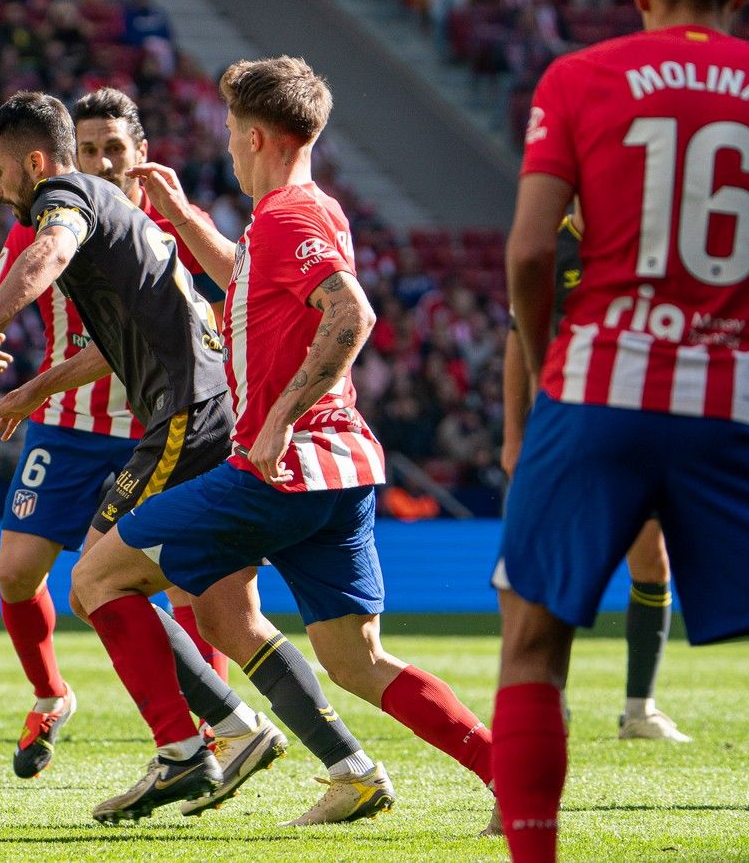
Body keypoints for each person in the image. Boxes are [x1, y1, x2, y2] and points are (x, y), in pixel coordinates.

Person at [35, 56, 499, 829]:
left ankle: (189, 748)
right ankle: (472, 770)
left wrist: (278, 419)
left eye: (227, 131)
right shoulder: (310, 212)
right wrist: (186, 224)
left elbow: (351, 315)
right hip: (340, 474)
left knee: (94, 581)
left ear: (255, 137)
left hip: (278, 470)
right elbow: (256, 287)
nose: (223, 145)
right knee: (346, 657)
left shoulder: (287, 217)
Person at [0, 91, 387, 825]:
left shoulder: (66, 201)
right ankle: (327, 758)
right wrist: (29, 391)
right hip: (198, 414)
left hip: (185, 418)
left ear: (37, 163)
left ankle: (193, 743)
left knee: (93, 581)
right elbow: (121, 346)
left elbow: (49, 252)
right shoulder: (127, 226)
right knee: (215, 611)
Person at [494, 0, 749, 857]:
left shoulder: (579, 77)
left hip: (596, 390)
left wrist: (542, 367)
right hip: (730, 403)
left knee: (531, 642)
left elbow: (530, 252)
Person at [0, 88, 228, 782]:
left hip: (157, 423)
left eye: (116, 148)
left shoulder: (169, 227)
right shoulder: (42, 216)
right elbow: (7, 285)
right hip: (66, 429)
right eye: (88, 150)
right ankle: (51, 695)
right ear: (62, 156)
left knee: (183, 586)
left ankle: (205, 727)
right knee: (16, 572)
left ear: (141, 154)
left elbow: (186, 326)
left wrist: (25, 385)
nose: (103, 160)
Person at [502, 207, 690, 742]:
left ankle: (639, 709)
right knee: (554, 567)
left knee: (652, 561)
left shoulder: (638, 243)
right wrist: (515, 437)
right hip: (563, 432)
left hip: (633, 427)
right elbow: (517, 342)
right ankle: (548, 698)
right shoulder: (547, 246)